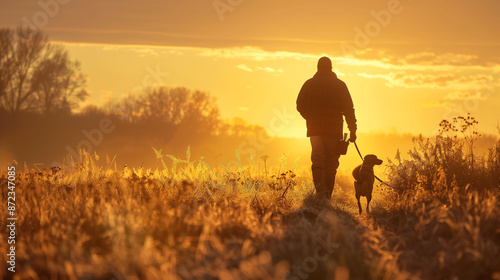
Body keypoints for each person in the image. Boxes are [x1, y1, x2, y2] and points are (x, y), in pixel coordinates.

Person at [296, 56, 357, 199]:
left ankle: (319, 196)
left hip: (315, 130)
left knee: (317, 162)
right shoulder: (340, 85)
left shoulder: (309, 84)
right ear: (331, 68)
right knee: (331, 164)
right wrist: (352, 129)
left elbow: (299, 105)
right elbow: (349, 109)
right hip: (334, 131)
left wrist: (310, 118)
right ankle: (327, 197)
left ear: (317, 68)